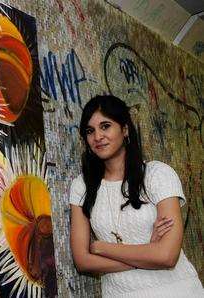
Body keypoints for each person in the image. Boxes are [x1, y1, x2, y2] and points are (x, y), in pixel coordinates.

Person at [69, 95, 204, 297]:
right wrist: (148, 253)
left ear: (124, 130)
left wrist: (100, 247)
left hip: (176, 289)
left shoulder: (157, 174)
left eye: (105, 126)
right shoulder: (82, 186)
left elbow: (167, 256)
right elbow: (82, 261)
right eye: (90, 131)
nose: (97, 136)